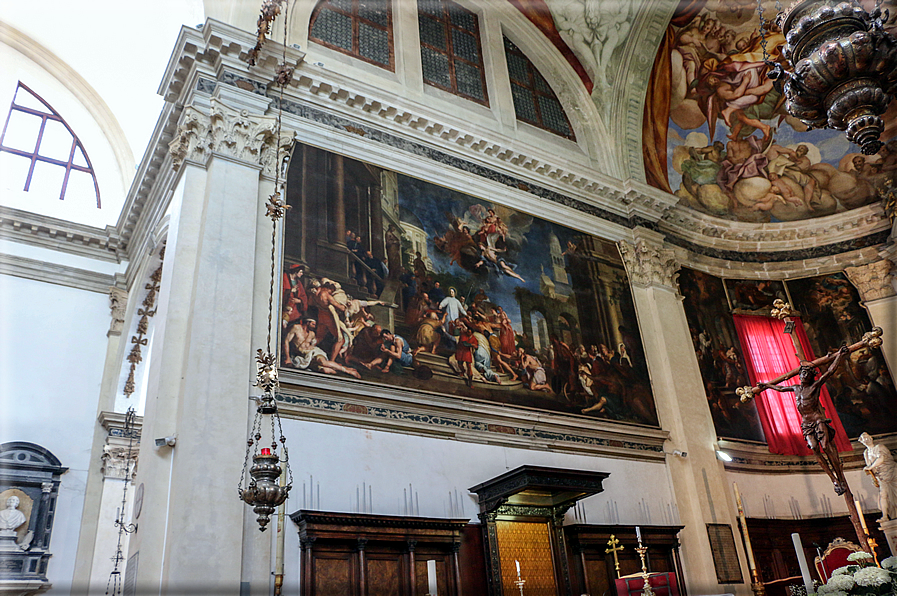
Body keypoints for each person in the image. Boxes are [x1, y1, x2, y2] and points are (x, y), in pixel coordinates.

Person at [758, 347, 850, 495]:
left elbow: (830, 372)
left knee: (826, 446)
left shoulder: (815, 386)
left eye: (806, 373)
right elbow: (781, 389)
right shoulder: (796, 388)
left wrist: (839, 355)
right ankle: (834, 479)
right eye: (802, 373)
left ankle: (840, 476)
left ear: (811, 376)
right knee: (814, 448)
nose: (803, 375)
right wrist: (767, 385)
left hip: (817, 419)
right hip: (806, 423)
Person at [282, 319, 360, 378]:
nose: (314, 326)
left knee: (322, 362)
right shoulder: (296, 328)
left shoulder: (312, 334)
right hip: (304, 356)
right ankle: (340, 368)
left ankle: (347, 371)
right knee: (324, 370)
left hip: (314, 352)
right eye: (313, 324)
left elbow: (314, 344)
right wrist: (288, 358)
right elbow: (286, 341)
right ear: (307, 322)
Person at [859, 432, 897, 521]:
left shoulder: (880, 447)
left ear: (871, 438)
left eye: (867, 437)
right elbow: (869, 466)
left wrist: (870, 467)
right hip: (881, 476)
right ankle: (884, 516)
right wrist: (873, 477)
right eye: (864, 438)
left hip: (892, 472)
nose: (866, 439)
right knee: (883, 494)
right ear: (862, 442)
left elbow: (881, 458)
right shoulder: (866, 453)